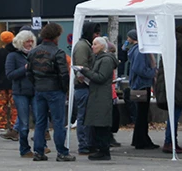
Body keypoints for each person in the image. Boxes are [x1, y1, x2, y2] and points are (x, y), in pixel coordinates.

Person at [27, 22, 75, 162]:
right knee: (58, 122)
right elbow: (63, 73)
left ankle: (39, 151)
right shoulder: (58, 53)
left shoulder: (33, 52)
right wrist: (64, 89)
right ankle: (61, 152)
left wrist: (36, 84)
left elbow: (29, 72)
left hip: (39, 89)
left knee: (40, 122)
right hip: (55, 90)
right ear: (56, 36)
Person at [77, 37, 118, 161]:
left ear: (102, 46)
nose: (92, 46)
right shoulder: (99, 59)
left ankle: (104, 150)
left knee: (101, 124)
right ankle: (101, 149)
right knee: (98, 123)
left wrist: (85, 71)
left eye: (95, 44)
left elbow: (100, 77)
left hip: (101, 95)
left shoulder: (105, 60)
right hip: (97, 94)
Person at [153, 26, 182, 154]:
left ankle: (170, 141)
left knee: (172, 114)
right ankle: (170, 141)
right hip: (178, 84)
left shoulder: (167, 43)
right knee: (174, 115)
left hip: (167, 82)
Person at [5, 29, 37, 157]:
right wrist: (24, 69)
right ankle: (24, 149)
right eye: (27, 41)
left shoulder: (35, 54)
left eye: (31, 41)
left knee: (39, 119)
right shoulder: (12, 56)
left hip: (35, 91)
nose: (30, 44)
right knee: (23, 123)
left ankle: (41, 147)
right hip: (20, 92)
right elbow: (10, 75)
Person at [125, 29, 157, 149]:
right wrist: (153, 72)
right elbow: (139, 69)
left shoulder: (134, 50)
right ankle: (141, 140)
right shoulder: (140, 50)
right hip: (142, 85)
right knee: (142, 114)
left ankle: (140, 139)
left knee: (141, 114)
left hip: (137, 85)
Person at [72, 22, 100, 154]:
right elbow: (81, 68)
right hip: (84, 86)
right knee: (83, 117)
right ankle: (84, 145)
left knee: (86, 117)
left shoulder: (85, 45)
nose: (97, 36)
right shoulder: (83, 46)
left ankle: (88, 143)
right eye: (96, 33)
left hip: (86, 86)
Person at [0, 31, 18, 139]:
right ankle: (13, 124)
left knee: (1, 104)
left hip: (2, 82)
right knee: (14, 105)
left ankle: (1, 124)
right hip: (14, 82)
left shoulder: (0, 52)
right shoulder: (16, 51)